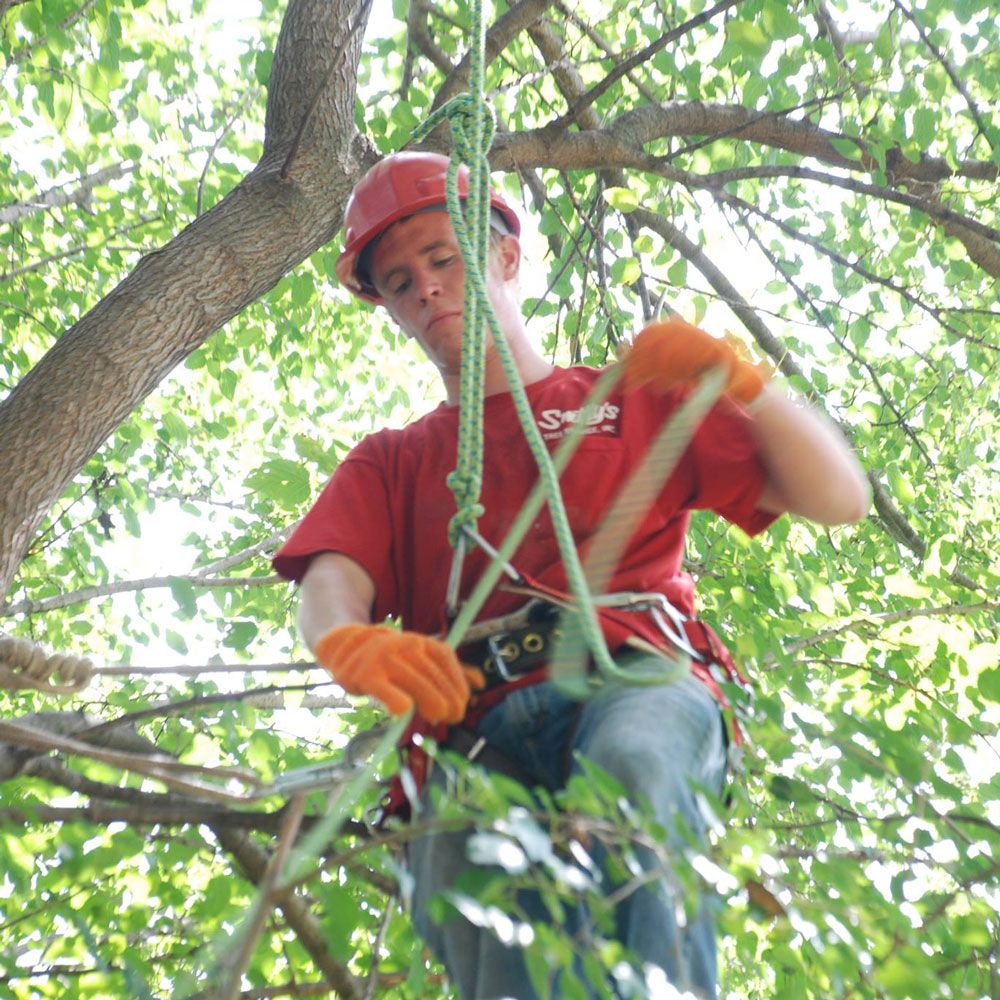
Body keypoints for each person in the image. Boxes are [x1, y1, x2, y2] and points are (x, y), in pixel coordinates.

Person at [272, 151, 869, 999]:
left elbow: (840, 498)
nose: (428, 289)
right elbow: (332, 579)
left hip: (631, 676)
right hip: (467, 727)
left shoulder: (627, 401)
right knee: (475, 898)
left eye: (445, 258)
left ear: (505, 258)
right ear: (389, 310)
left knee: (633, 770)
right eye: (401, 282)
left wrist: (744, 384)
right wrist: (345, 640)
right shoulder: (394, 462)